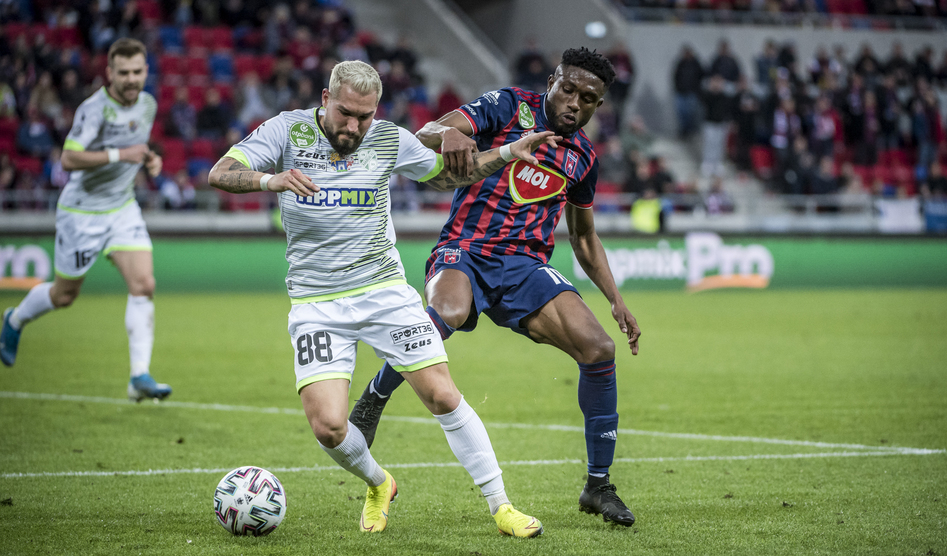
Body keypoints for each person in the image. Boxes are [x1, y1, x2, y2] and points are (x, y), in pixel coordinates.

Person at [207, 60, 557, 537]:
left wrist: (510, 150)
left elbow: (449, 175)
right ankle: (379, 483)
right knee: (329, 427)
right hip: (316, 302)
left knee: (442, 394)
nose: (354, 127)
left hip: (384, 291)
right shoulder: (286, 131)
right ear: (326, 99)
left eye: (365, 116)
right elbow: (221, 172)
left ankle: (502, 506)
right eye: (346, 113)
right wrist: (272, 180)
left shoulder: (389, 138)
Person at [349, 47, 642, 527]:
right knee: (448, 311)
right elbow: (428, 132)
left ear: (599, 105)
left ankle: (598, 485)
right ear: (552, 82)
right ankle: (374, 398)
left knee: (599, 349)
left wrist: (616, 299)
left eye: (587, 99)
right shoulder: (508, 107)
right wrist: (448, 134)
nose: (574, 103)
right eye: (568, 89)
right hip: (465, 248)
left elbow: (584, 236)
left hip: (525, 266)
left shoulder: (583, 158)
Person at [1, 38, 169, 403]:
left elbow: (137, 148)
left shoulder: (148, 104)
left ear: (146, 71)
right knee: (64, 295)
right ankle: (14, 319)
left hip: (122, 207)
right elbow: (69, 159)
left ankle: (139, 377)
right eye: (123, 73)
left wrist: (149, 160)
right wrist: (122, 154)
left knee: (144, 284)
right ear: (109, 73)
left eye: (137, 72)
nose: (131, 79)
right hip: (82, 212)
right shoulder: (94, 110)